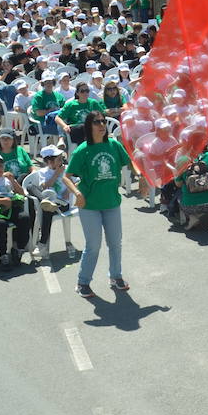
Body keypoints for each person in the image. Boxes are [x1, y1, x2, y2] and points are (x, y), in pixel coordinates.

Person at [67, 110, 138, 298]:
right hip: (89, 205)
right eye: (97, 122)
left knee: (115, 243)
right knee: (94, 246)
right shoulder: (83, 150)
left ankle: (115, 276)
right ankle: (83, 282)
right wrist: (76, 192)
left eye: (103, 121)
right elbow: (66, 176)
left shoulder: (113, 145)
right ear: (89, 127)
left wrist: (143, 176)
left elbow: (130, 163)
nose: (101, 125)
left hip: (111, 202)